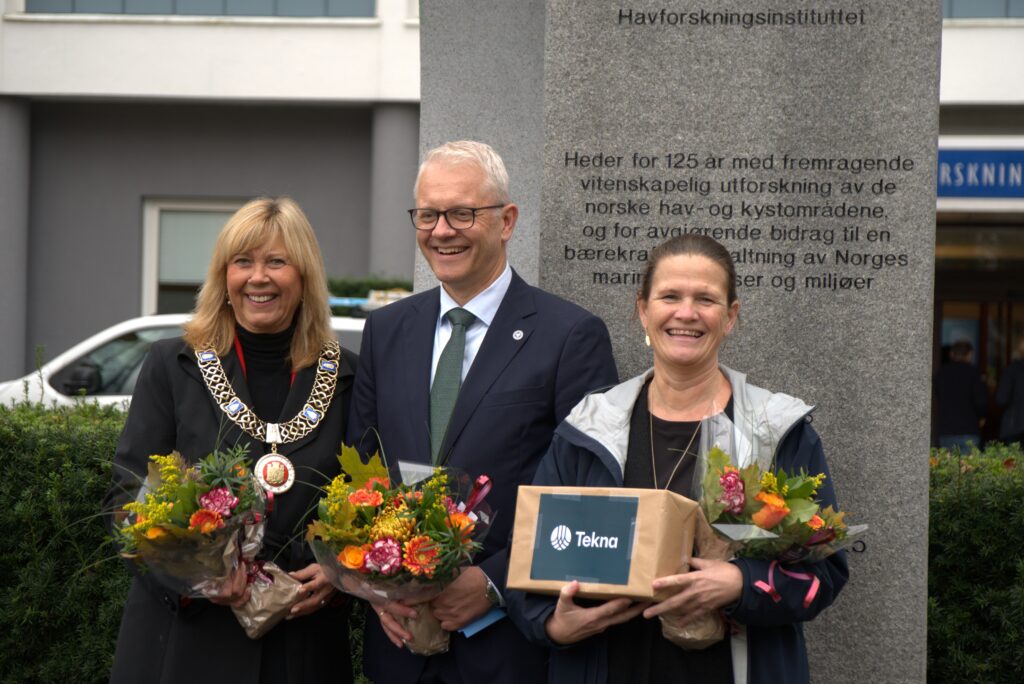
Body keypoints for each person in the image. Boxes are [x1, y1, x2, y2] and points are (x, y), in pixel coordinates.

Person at [506, 234, 849, 684]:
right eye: (670, 296)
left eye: (705, 299)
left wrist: (741, 584)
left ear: (730, 317)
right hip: (606, 664)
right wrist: (552, 624)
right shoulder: (588, 426)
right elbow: (528, 551)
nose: (686, 313)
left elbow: (825, 573)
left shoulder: (777, 430)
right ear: (643, 311)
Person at [347, 140, 618, 684]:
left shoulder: (571, 337)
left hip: (507, 651)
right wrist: (376, 586)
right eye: (428, 214)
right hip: (398, 651)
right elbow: (360, 473)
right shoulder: (386, 331)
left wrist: (495, 582)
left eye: (463, 212)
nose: (442, 230)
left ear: (507, 220)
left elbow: (590, 501)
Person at [104, 197, 358, 683]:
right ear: (223, 276)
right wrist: (195, 580)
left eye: (276, 262)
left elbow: (365, 500)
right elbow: (127, 501)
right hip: (187, 642)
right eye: (242, 262)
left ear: (304, 276)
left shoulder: (348, 374)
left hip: (303, 643)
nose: (257, 277)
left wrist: (338, 571)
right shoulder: (171, 365)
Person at [933, 340, 987, 451]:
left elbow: (937, 396)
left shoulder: (941, 373)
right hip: (969, 429)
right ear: (969, 355)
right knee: (968, 467)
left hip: (946, 429)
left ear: (952, 354)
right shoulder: (973, 373)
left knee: (948, 466)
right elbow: (980, 401)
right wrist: (982, 417)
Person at [996, 338, 1024, 445]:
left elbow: (1001, 399)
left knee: (1013, 461)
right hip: (1016, 428)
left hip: (1015, 426)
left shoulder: (1012, 369)